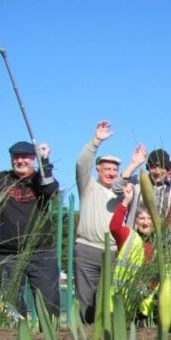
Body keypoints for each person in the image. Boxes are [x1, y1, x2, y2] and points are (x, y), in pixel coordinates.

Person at [0, 140, 60, 320]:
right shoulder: (1, 180)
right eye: (16, 157)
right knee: (12, 306)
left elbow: (51, 189)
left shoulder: (40, 180)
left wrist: (45, 160)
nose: (20, 161)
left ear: (32, 159)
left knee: (49, 304)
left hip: (42, 253)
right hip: (9, 254)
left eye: (25, 157)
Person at [74, 120, 128, 323]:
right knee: (85, 300)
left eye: (115, 170)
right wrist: (96, 141)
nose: (111, 173)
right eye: (107, 169)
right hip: (87, 248)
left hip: (112, 252)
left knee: (107, 300)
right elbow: (81, 164)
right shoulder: (88, 187)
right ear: (98, 170)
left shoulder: (122, 194)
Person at [110, 182, 155, 321]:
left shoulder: (157, 244)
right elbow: (114, 227)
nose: (145, 222)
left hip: (144, 302)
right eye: (142, 218)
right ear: (135, 221)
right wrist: (126, 201)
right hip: (120, 296)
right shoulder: (127, 236)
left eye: (149, 219)